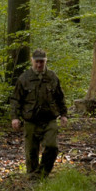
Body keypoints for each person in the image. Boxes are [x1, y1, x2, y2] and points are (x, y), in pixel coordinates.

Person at [9, 49, 69, 178]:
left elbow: (60, 97)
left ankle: (42, 173)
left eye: (42, 62)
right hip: (31, 120)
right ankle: (33, 177)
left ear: (45, 61)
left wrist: (64, 114)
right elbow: (15, 99)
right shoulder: (24, 78)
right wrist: (15, 117)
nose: (39, 65)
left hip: (49, 119)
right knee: (31, 151)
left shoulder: (52, 77)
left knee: (52, 147)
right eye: (37, 62)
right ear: (32, 61)